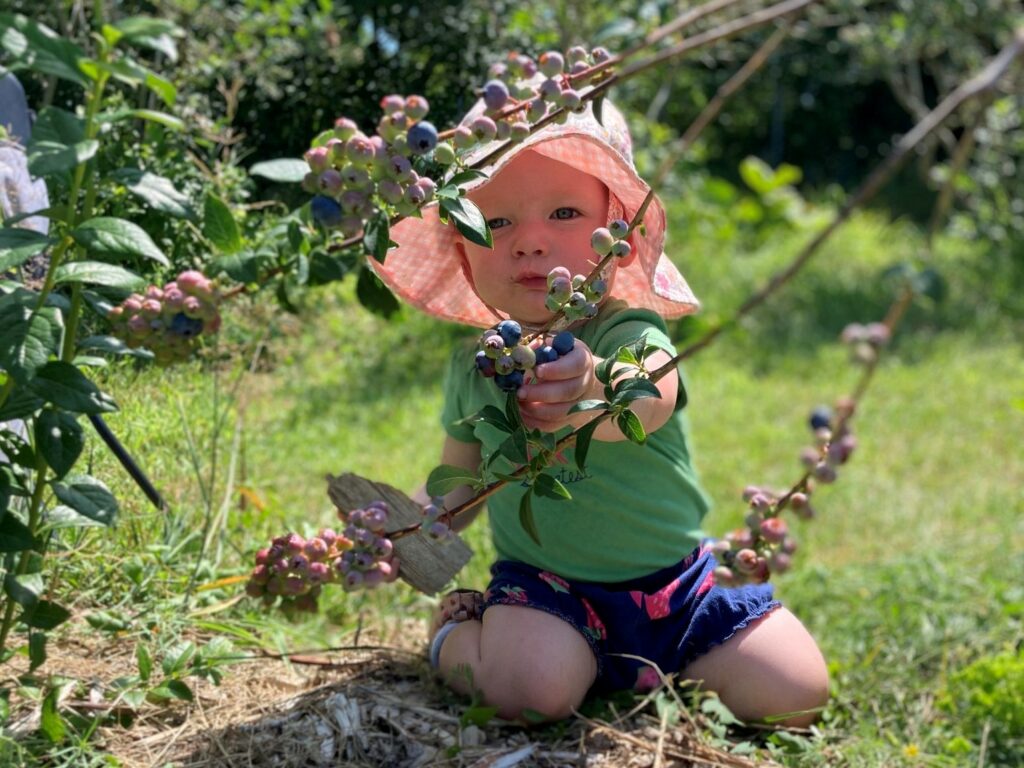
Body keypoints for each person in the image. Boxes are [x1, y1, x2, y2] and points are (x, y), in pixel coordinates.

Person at [371, 93, 829, 726]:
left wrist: (592, 383)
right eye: (495, 224)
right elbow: (463, 484)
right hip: (547, 593)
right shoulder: (476, 369)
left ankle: (657, 661)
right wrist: (411, 525)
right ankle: (457, 637)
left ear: (617, 236)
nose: (529, 242)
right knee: (526, 693)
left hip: (678, 586)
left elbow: (653, 392)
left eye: (563, 212)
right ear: (461, 252)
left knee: (796, 692)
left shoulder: (627, 332)